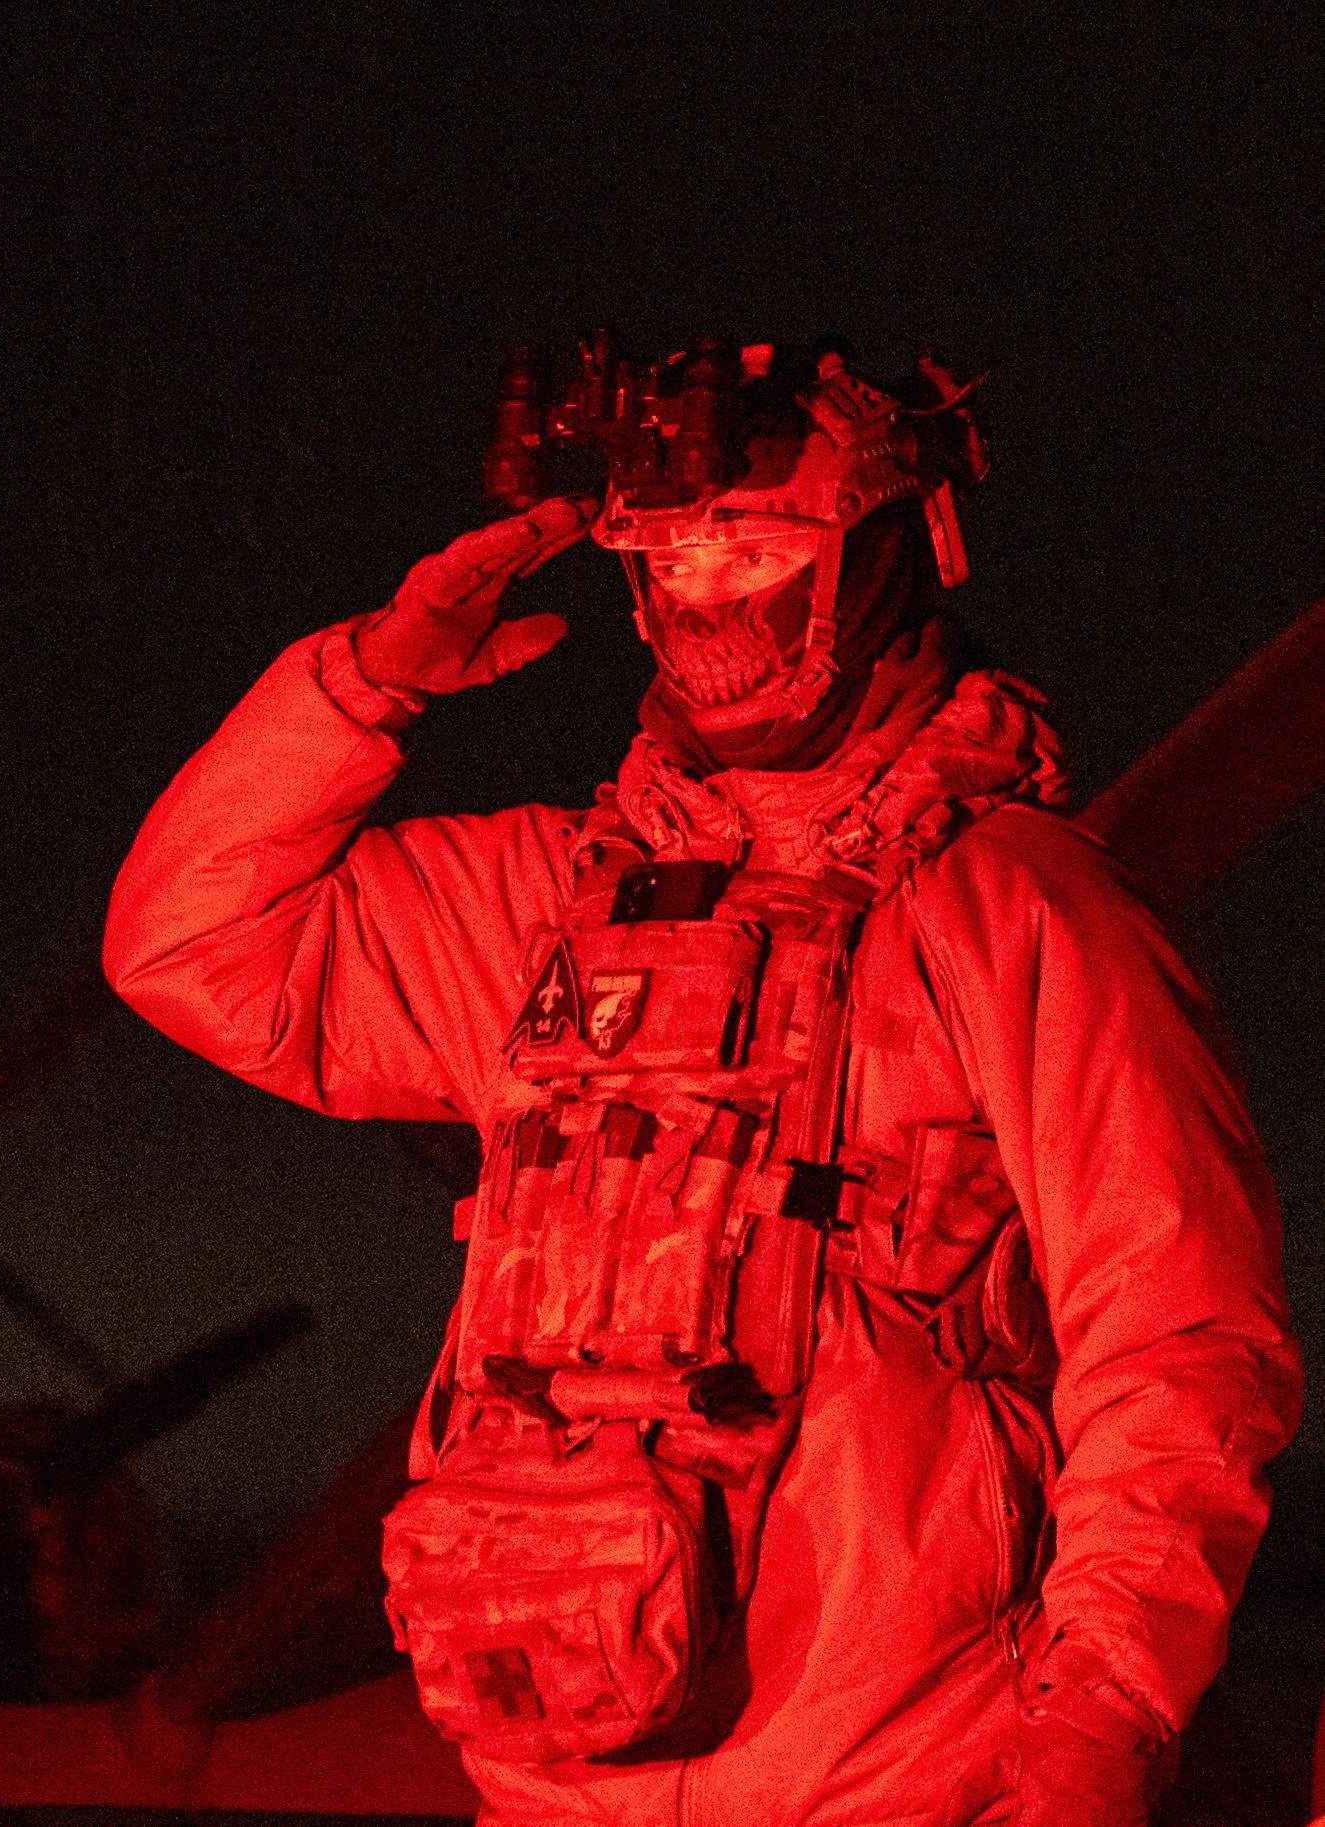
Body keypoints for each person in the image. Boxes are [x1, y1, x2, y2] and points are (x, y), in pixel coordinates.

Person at [102, 340, 1300, 1823]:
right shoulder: (552, 902)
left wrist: (1100, 1713)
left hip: (904, 1784)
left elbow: (1180, 1343)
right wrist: (363, 684)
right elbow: (190, 947)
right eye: (668, 552)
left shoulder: (1012, 910)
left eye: (748, 544)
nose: (703, 596)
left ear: (878, 557)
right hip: (556, 1781)